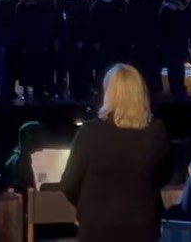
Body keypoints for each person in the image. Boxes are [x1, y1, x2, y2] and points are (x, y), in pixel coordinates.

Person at [60, 63, 171, 242]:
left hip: (97, 228)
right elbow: (163, 177)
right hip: (142, 227)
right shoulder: (156, 132)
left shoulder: (90, 132)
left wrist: (88, 208)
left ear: (108, 94)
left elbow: (68, 183)